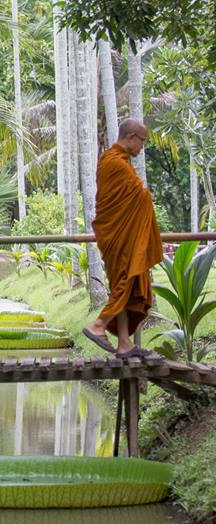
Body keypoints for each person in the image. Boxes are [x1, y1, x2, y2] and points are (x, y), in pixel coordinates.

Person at [82, 118, 163, 358]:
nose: (142, 147)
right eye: (142, 141)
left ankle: (124, 343)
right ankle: (98, 325)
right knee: (125, 282)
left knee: (123, 283)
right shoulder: (115, 164)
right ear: (130, 137)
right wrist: (145, 197)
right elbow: (140, 197)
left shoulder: (112, 160)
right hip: (118, 235)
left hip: (116, 235)